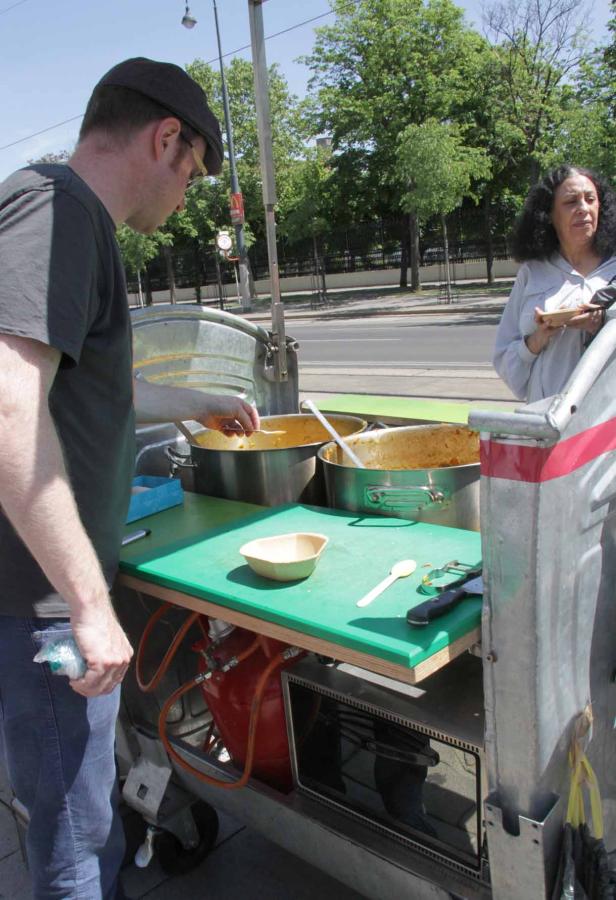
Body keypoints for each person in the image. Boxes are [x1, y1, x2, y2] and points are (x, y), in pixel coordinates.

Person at [0, 57, 260, 899]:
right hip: (42, 608)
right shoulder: (58, 210)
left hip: (43, 596)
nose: (187, 194)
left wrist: (202, 400)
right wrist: (86, 602)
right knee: (76, 838)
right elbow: (8, 408)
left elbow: (105, 386)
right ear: (165, 137)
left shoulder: (72, 220)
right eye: (192, 171)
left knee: (83, 819)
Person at [493, 165, 616, 403]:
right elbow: (503, 356)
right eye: (571, 202)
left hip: (606, 417)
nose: (583, 208)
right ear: (549, 215)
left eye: (590, 199)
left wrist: (603, 322)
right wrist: (537, 340)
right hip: (548, 414)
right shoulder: (532, 272)